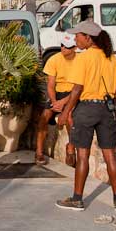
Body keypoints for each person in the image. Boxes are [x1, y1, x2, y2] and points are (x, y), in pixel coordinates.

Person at [56, 20, 116, 212]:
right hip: (107, 108)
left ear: (88, 38)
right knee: (110, 154)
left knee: (83, 154)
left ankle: (77, 198)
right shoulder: (111, 59)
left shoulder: (84, 58)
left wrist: (65, 112)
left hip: (87, 108)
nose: (75, 39)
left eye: (78, 35)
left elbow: (77, 89)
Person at [35, 34, 77, 167]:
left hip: (73, 93)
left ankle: (70, 149)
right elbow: (50, 85)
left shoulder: (81, 61)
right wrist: (54, 101)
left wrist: (63, 102)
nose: (64, 48)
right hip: (57, 94)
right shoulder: (54, 60)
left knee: (70, 117)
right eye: (62, 45)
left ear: (74, 48)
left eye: (67, 47)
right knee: (44, 116)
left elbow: (78, 88)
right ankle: (39, 151)